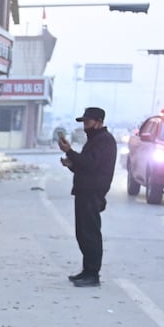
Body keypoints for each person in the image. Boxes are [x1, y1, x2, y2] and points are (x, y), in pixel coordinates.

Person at [57, 106, 117, 287]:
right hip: (84, 190)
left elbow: (90, 164)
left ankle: (93, 274)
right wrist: (71, 163)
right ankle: (87, 270)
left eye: (88, 122)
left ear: (98, 122)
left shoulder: (104, 141)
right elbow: (85, 166)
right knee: (82, 233)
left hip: (92, 192)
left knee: (90, 233)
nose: (85, 126)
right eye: (84, 122)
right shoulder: (94, 140)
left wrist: (70, 152)